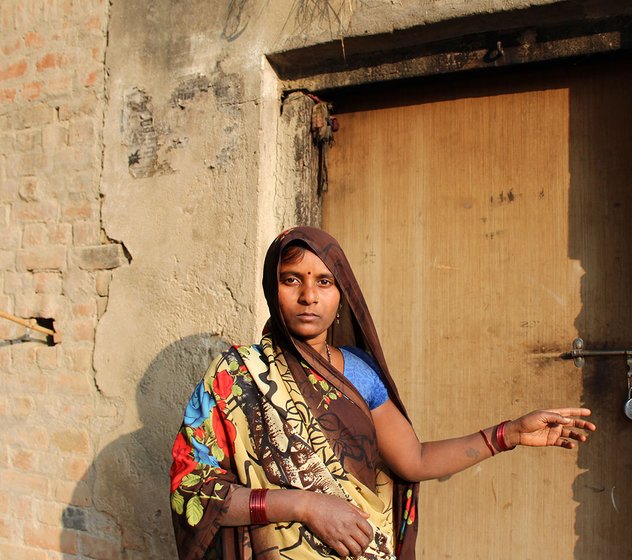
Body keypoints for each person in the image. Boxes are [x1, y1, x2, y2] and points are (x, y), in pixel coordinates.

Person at [170, 226, 595, 560]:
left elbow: (414, 459)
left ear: (343, 295)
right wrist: (305, 506)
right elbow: (192, 493)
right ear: (271, 287)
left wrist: (509, 435)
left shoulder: (359, 371)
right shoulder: (234, 376)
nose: (308, 296)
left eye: (324, 282)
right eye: (291, 279)